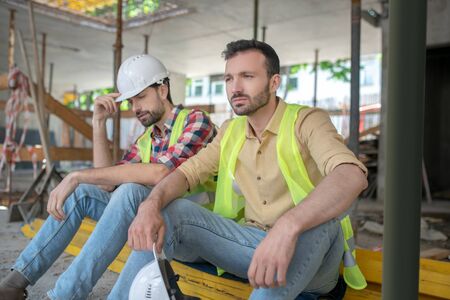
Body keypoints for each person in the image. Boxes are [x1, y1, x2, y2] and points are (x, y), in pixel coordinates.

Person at [109, 40, 369, 300]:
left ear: (274, 82)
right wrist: (150, 205)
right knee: (169, 210)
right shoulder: (230, 131)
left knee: (322, 224)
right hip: (251, 244)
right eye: (229, 78)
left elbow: (350, 174)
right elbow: (187, 172)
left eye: (247, 76)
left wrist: (288, 226)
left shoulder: (308, 120)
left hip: (311, 257)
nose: (235, 88)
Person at [0, 54, 216, 300]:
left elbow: (161, 172)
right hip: (153, 223)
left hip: (196, 234)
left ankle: (62, 296)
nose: (135, 108)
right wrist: (98, 123)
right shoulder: (145, 140)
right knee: (82, 193)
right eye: (131, 101)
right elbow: (105, 183)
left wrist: (77, 175)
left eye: (141, 97)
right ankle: (15, 283)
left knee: (129, 190)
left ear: (163, 90)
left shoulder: (196, 121)